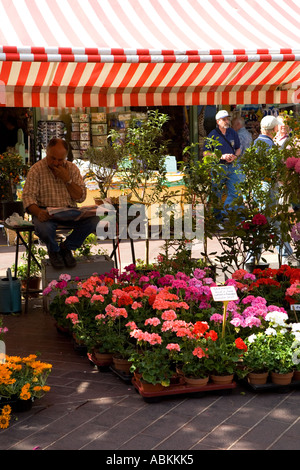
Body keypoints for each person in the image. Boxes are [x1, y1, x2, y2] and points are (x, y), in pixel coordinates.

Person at [22, 138, 99, 269]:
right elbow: (28, 198)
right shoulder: (36, 169)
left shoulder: (72, 168)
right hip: (46, 212)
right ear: (47, 152)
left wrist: (67, 180)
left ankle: (66, 248)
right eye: (52, 158)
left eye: (60, 160)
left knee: (95, 220)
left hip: (69, 212)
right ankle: (54, 251)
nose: (56, 163)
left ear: (65, 157)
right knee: (44, 228)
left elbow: (80, 197)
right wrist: (38, 212)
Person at [253, 115, 293, 262]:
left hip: (259, 186)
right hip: (269, 187)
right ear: (274, 129)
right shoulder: (269, 145)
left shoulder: (256, 142)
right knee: (271, 222)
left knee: (262, 222)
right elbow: (275, 169)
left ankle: (253, 258)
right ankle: (287, 255)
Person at [204, 109, 241, 223]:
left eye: (227, 119)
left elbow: (238, 148)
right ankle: (217, 218)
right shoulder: (213, 134)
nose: (226, 121)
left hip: (232, 166)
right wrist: (221, 156)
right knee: (217, 193)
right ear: (218, 121)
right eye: (224, 119)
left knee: (235, 191)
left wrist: (234, 156)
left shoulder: (232, 132)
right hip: (219, 167)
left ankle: (228, 214)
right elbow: (206, 153)